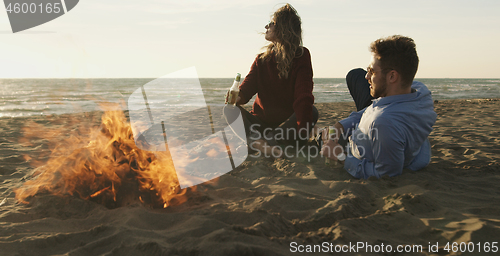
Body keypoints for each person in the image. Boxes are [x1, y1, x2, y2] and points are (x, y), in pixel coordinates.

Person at [320, 35, 437, 178]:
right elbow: (372, 108)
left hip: (358, 149)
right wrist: (341, 126)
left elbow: (386, 173)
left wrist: (340, 156)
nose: (367, 76)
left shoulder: (384, 123)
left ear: (392, 77)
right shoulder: (420, 91)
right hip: (387, 138)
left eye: (372, 71)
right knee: (355, 75)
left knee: (319, 144)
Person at [228, 3, 318, 158]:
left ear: (283, 28)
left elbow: (303, 98)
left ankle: (259, 144)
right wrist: (235, 97)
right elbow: (245, 92)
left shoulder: (301, 56)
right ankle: (264, 144)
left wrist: (302, 133)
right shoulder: (262, 60)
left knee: (312, 111)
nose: (267, 26)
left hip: (285, 128)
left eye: (272, 23)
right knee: (229, 111)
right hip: (261, 125)